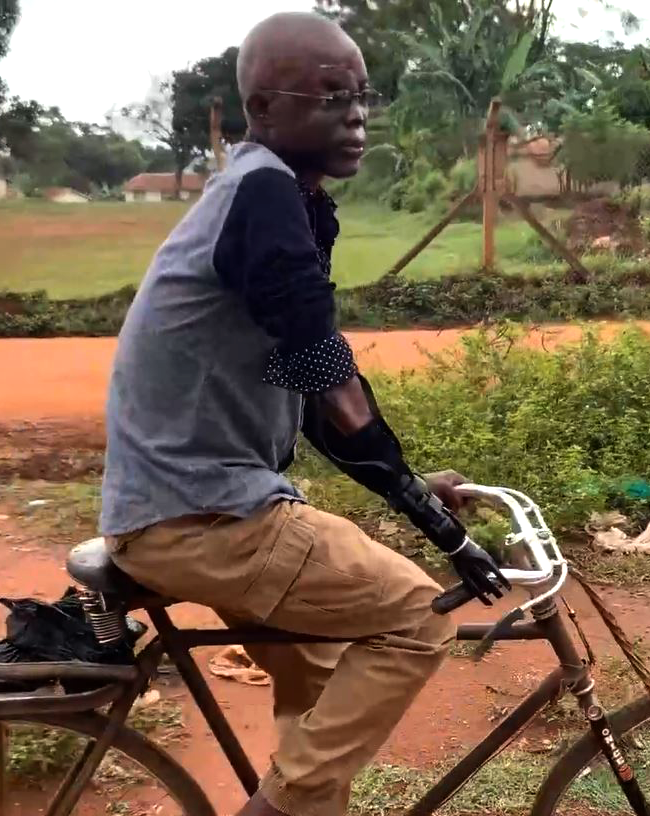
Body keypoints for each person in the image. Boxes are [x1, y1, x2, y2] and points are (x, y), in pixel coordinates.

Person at [100, 12, 506, 816]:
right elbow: (329, 377)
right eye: (328, 97)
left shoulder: (275, 196)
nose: (354, 114)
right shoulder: (261, 196)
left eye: (360, 96)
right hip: (206, 515)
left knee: (318, 686)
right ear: (263, 106)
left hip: (194, 505)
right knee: (418, 620)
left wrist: (410, 482)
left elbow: (313, 389)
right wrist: (441, 530)